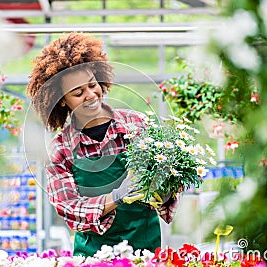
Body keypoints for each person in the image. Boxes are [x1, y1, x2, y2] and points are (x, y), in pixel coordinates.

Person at [26, 32, 181, 257]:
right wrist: (117, 196)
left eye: (92, 85)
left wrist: (163, 187)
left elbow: (167, 195)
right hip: (92, 255)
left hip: (145, 252)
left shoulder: (136, 125)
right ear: (61, 100)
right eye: (78, 93)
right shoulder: (60, 149)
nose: (90, 95)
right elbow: (70, 208)